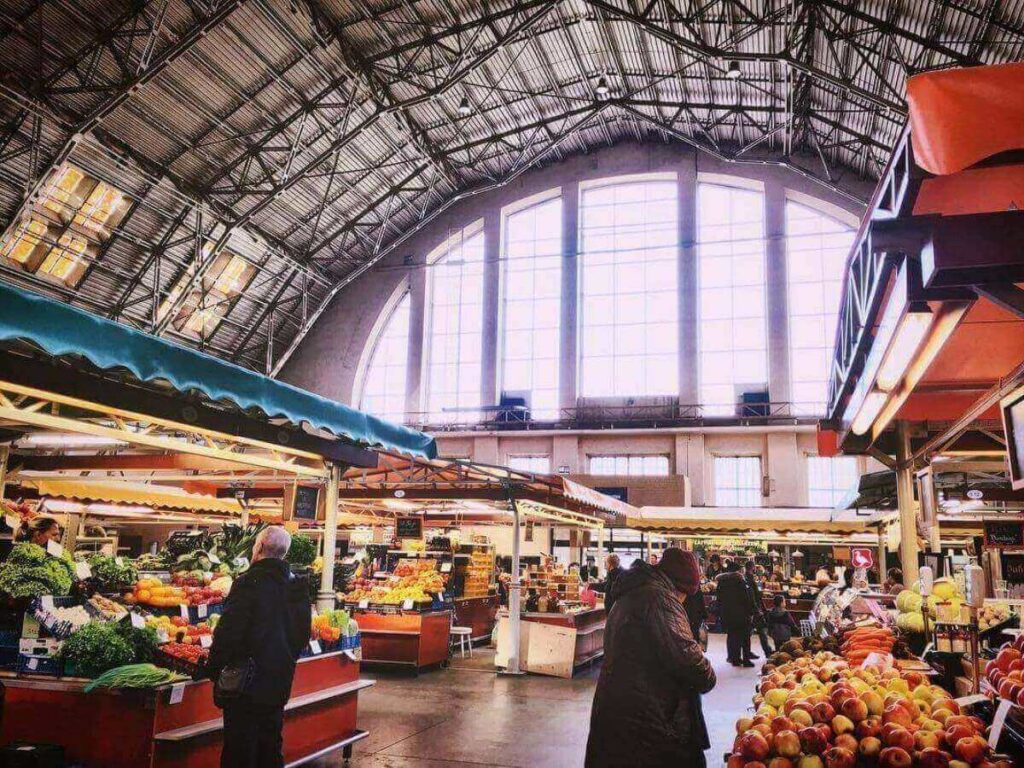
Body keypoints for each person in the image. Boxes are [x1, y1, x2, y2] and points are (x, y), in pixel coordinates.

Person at [585, 548, 715, 767]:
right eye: (685, 594)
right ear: (679, 586)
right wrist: (707, 668)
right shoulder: (660, 600)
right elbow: (695, 667)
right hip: (647, 723)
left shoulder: (633, 591)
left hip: (621, 715)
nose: (683, 601)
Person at [207, 526, 312, 768]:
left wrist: (213, 668)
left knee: (239, 749)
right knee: (270, 745)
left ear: (260, 548)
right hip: (279, 681)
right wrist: (285, 660)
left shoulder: (248, 583)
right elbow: (302, 635)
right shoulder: (298, 586)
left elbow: (229, 633)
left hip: (246, 684)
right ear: (283, 554)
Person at [716, 560, 754, 667]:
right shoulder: (740, 581)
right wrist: (751, 612)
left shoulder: (721, 582)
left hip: (728, 614)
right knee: (745, 637)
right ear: (737, 571)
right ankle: (746, 659)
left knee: (733, 637)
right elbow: (746, 598)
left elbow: (719, 599)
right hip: (742, 614)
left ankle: (735, 659)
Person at [744, 561, 773, 658]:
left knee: (750, 632)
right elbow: (753, 595)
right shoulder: (749, 578)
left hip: (752, 609)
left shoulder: (746, 577)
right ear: (752, 568)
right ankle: (767, 652)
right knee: (761, 630)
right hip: (755, 609)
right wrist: (758, 609)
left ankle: (747, 653)